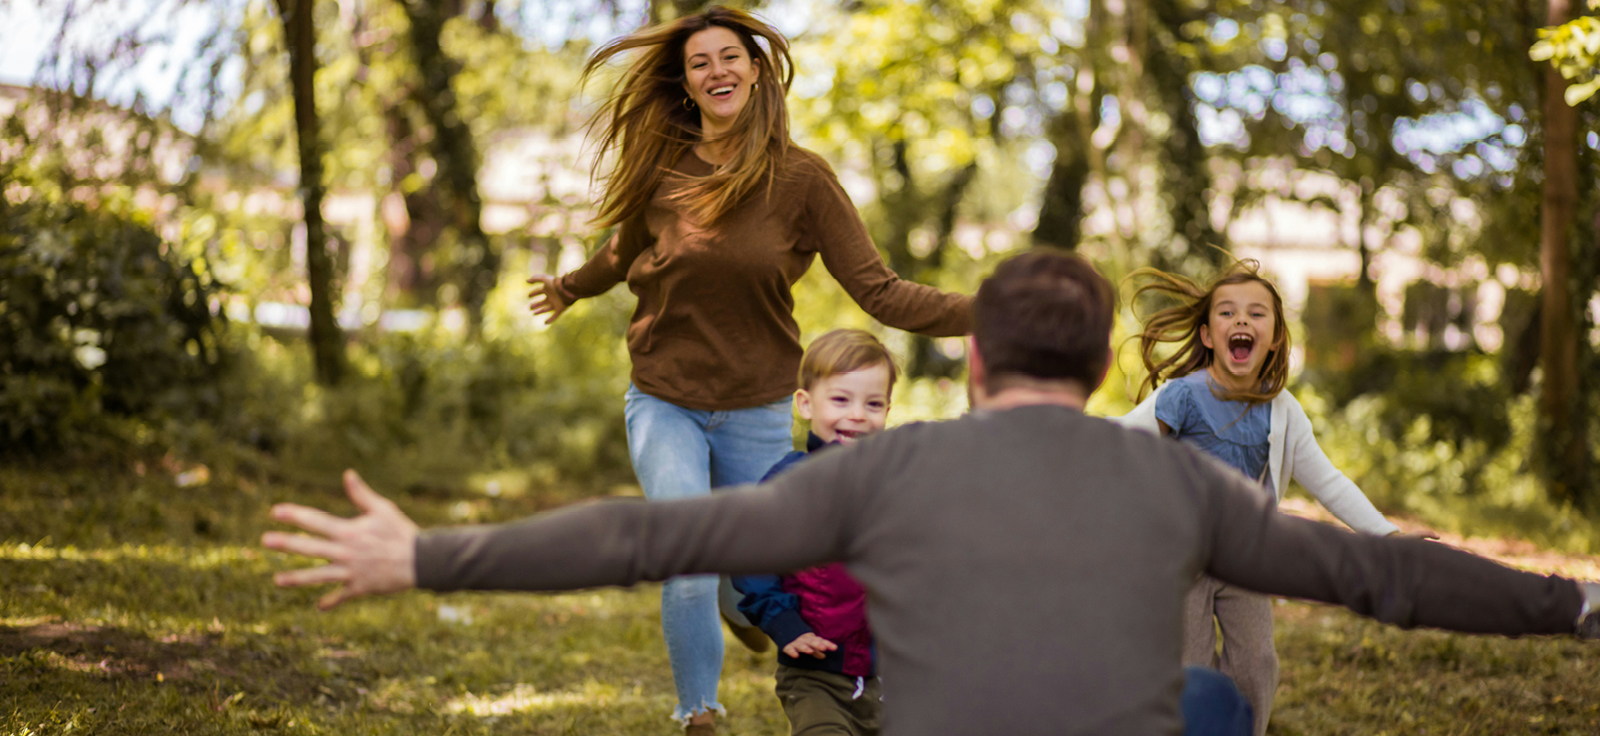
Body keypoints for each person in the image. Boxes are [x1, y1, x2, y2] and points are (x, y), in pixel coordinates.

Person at [264, 250, 1599, 736]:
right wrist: (1574, 604)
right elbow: (1391, 575)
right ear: (1094, 365)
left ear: (974, 358)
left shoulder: (883, 469)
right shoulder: (1170, 479)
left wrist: (429, 554)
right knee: (1208, 702)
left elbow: (649, 534)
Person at [524, 6, 971, 732]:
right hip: (663, 397)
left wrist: (989, 312)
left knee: (764, 567)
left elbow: (881, 292)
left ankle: (743, 604)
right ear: (688, 83)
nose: (717, 71)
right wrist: (571, 286)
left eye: (729, 57)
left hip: (759, 404)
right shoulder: (661, 168)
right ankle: (698, 712)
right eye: (700, 63)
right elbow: (620, 251)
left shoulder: (802, 179)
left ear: (756, 69)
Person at [1111, 260, 1432, 735]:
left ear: (1277, 337)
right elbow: (1114, 445)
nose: (1242, 321)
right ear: (1205, 336)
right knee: (1188, 670)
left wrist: (1387, 535)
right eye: (1228, 313)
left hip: (1244, 559)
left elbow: (1329, 481)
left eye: (1257, 314)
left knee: (1257, 666)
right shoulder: (1180, 398)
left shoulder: (1282, 410)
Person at [732, 329, 897, 736]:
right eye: (841, 399)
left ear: (888, 409)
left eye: (873, 403)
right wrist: (785, 623)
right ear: (806, 404)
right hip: (815, 673)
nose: (857, 414)